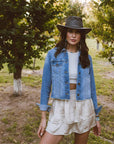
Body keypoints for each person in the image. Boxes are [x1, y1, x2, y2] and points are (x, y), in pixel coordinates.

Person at [36, 16, 102, 144]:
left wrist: (96, 117)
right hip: (61, 106)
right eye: (70, 31)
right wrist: (43, 117)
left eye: (77, 32)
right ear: (65, 33)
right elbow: (45, 87)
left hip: (84, 106)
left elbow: (92, 89)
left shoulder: (86, 58)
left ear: (81, 36)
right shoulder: (52, 55)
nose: (73, 35)